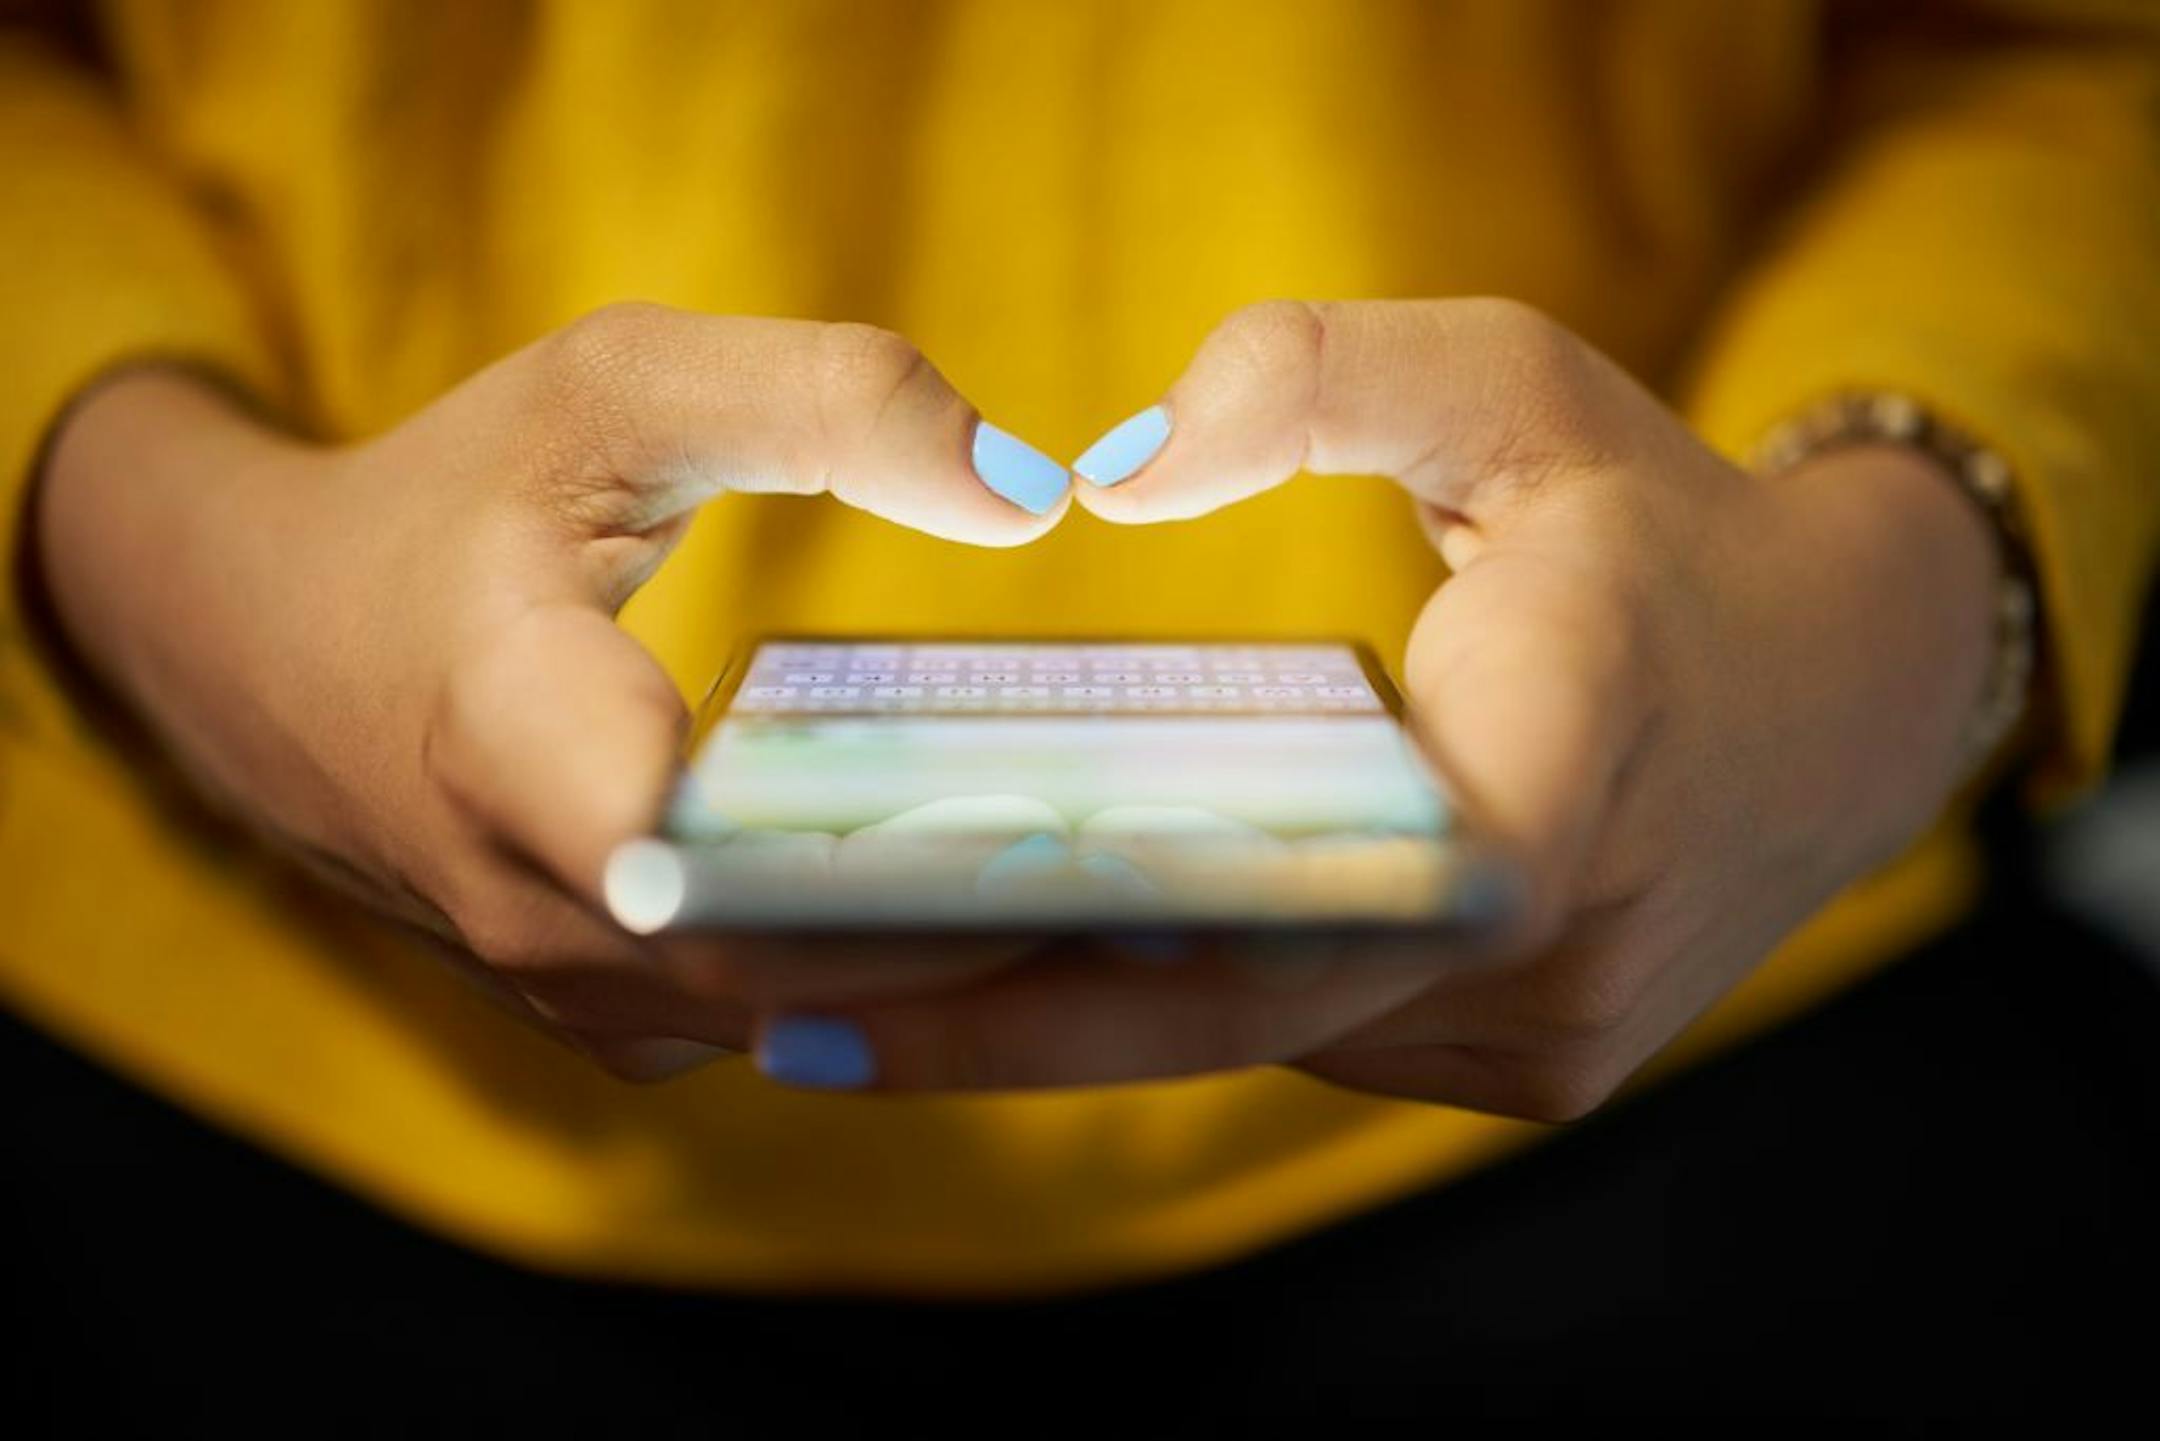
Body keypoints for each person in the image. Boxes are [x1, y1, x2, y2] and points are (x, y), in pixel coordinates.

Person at [4, 0, 2157, 1421]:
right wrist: (156, 547)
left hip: (1722, 1038)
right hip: (249, 1111)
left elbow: (2062, 58)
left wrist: (1884, 604)